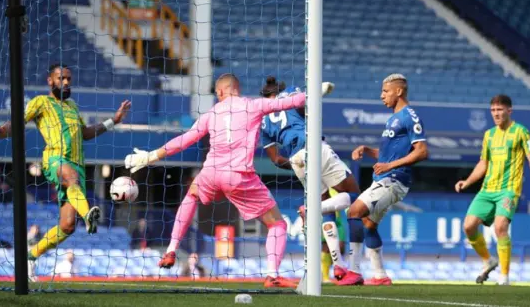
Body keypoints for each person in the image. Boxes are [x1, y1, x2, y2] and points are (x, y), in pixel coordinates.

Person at [124, 73, 335, 288]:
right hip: (239, 175)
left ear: (223, 91)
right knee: (277, 224)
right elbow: (293, 101)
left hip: (212, 172)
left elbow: (184, 140)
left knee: (191, 195)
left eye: (217, 92)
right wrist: (317, 91)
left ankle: (171, 249)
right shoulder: (252, 106)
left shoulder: (211, 113)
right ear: (237, 88)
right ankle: (272, 275)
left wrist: (152, 156)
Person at [0, 63, 131, 281]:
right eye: (60, 78)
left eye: (68, 79)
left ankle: (31, 256)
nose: (65, 82)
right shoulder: (41, 102)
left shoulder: (73, 106)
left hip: (77, 165)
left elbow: (85, 133)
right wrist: (3, 132)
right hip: (55, 159)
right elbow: (20, 121)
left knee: (67, 226)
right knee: (70, 177)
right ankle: (88, 215)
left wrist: (113, 120)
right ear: (50, 80)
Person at [258, 76, 359, 282]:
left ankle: (339, 266)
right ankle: (311, 211)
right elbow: (306, 105)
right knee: (354, 194)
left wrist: (297, 164)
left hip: (296, 159)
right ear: (281, 91)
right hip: (312, 146)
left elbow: (276, 159)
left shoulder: (263, 119)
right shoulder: (291, 94)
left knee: (326, 207)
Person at [338, 73, 429, 286]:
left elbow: (422, 151)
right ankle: (380, 276)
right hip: (386, 177)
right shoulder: (393, 118)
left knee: (354, 212)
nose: (382, 96)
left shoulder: (410, 116)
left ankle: (354, 270)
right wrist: (368, 150)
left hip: (394, 179)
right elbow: (391, 155)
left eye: (385, 91)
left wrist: (390, 166)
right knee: (369, 225)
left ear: (399, 91)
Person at [455, 94, 530, 286]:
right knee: (468, 226)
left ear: (509, 111)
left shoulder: (521, 132)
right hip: (487, 189)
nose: (496, 114)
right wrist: (468, 181)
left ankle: (504, 277)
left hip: (508, 190)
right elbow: (483, 163)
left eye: (500, 110)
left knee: (500, 227)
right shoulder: (489, 135)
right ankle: (488, 260)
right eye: (493, 110)